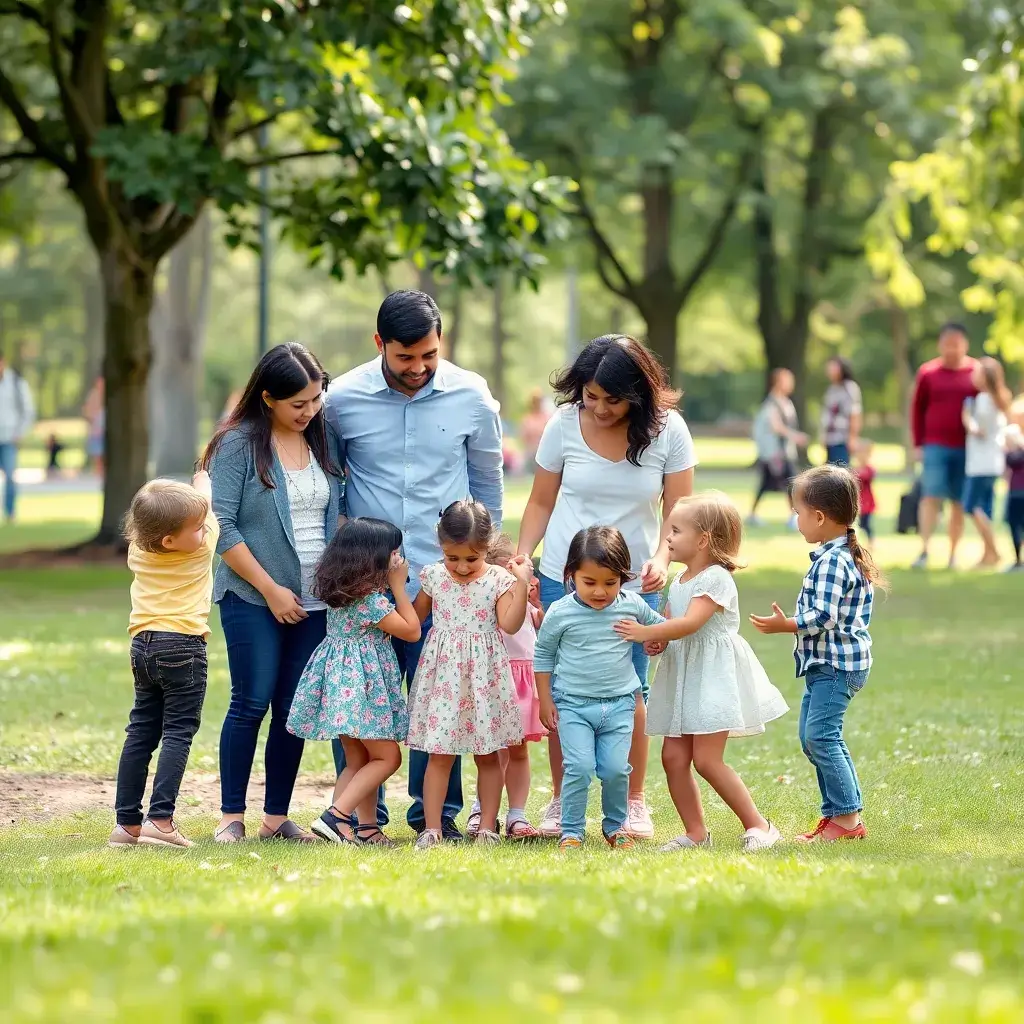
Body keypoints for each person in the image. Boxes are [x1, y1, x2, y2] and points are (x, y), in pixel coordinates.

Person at [325, 289, 504, 840]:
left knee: (441, 700)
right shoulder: (342, 400)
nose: (419, 367)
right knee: (363, 698)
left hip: (447, 577)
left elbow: (487, 481)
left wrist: (488, 556)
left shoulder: (472, 396)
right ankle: (361, 817)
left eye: (429, 354)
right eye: (405, 357)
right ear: (379, 343)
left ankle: (436, 819)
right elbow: (334, 485)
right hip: (369, 583)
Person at [517, 334, 696, 841]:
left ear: (638, 395)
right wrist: (524, 555)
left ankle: (634, 801)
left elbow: (680, 512)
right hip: (562, 577)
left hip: (633, 581)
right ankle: (560, 800)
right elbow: (540, 502)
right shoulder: (563, 425)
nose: (596, 408)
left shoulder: (669, 431)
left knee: (628, 691)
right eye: (589, 396)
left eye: (611, 399)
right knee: (566, 688)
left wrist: (663, 557)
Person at [202, 342, 346, 844]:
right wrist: (271, 589)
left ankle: (275, 817)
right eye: (298, 404)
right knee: (251, 701)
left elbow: (335, 513)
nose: (309, 411)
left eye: (316, 399)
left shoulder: (323, 439)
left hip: (316, 601)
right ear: (268, 399)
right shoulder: (238, 444)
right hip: (252, 596)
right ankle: (230, 817)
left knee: (293, 709)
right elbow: (221, 524)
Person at [614, 492, 788, 852]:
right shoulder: (678, 580)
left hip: (712, 677)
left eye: (676, 531)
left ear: (703, 540)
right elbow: (674, 623)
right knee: (673, 757)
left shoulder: (716, 578)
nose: (668, 538)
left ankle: (760, 826)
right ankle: (695, 833)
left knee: (707, 760)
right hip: (683, 673)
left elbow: (692, 623)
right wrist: (659, 638)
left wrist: (648, 631)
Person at [751, 465, 882, 843]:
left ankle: (848, 822)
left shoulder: (834, 561)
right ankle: (838, 817)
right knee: (814, 738)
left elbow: (824, 616)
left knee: (821, 737)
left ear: (819, 517)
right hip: (829, 664)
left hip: (837, 666)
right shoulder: (836, 556)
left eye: (798, 513)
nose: (796, 520)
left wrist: (787, 624)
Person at [286, 518, 420, 846]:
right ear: (375, 558)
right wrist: (400, 587)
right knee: (388, 758)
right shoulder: (371, 602)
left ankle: (364, 828)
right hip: (362, 693)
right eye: (393, 552)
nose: (398, 558)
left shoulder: (343, 594)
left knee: (357, 760)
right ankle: (337, 817)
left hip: (342, 688)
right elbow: (412, 631)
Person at [407, 501, 532, 850]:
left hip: (484, 677)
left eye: (471, 559)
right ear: (441, 546)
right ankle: (431, 829)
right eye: (453, 557)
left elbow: (509, 624)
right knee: (440, 753)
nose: (461, 567)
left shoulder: (499, 580)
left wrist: (521, 584)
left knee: (488, 755)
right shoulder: (433, 576)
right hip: (444, 676)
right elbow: (415, 620)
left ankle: (487, 826)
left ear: (487, 547)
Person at [535, 526, 665, 850]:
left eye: (610, 582)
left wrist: (652, 638)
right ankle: (571, 831)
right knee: (578, 767)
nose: (599, 592)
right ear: (571, 576)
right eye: (589, 582)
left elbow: (657, 627)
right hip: (572, 705)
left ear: (623, 577)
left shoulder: (632, 605)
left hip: (619, 705)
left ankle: (615, 826)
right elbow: (542, 655)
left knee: (616, 769)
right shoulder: (560, 612)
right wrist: (545, 700)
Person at [108, 473, 218, 849]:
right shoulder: (201, 549)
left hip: (142, 645)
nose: (204, 530)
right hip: (183, 646)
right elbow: (208, 498)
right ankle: (160, 820)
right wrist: (203, 478)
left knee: (140, 731)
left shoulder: (139, 550)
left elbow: (168, 513)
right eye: (197, 527)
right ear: (170, 540)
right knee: (177, 732)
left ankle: (126, 825)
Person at [465, 534, 546, 840]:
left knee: (519, 750)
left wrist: (534, 602)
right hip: (493, 678)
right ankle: (481, 809)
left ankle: (517, 815)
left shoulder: (525, 597)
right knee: (490, 752)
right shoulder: (482, 595)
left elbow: (541, 625)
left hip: (522, 679)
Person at [910, 323, 979, 570]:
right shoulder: (928, 373)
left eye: (956, 343)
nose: (951, 348)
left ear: (965, 344)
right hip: (935, 446)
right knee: (930, 497)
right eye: (947, 343)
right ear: (940, 344)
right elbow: (917, 410)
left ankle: (953, 554)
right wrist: (918, 444)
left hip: (967, 447)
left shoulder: (975, 372)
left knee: (958, 502)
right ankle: (925, 549)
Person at [962, 356, 1010, 568]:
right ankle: (987, 554)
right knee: (986, 508)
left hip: (980, 463)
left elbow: (973, 426)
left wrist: (966, 415)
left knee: (971, 506)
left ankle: (994, 550)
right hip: (994, 462)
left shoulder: (982, 400)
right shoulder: (1000, 398)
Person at [749, 368, 807, 525]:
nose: (791, 384)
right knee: (791, 482)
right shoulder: (771, 404)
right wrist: (795, 436)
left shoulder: (786, 402)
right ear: (778, 382)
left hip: (784, 452)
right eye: (787, 380)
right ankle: (793, 517)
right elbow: (776, 427)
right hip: (775, 453)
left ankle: (754, 515)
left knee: (770, 483)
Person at [0, 353, 36, 522]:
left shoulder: (15, 382)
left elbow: (28, 411)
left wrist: (20, 432)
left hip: (8, 438)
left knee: (9, 477)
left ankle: (10, 512)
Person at [820, 357, 862, 466]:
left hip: (842, 439)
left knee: (841, 473)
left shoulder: (849, 388)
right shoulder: (831, 389)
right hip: (831, 439)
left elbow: (854, 413)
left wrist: (853, 437)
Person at [1004, 413, 1024, 572]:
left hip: (1019, 493)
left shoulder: (1016, 452)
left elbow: (1012, 461)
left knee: (1017, 525)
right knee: (1014, 526)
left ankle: (1019, 560)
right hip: (1014, 492)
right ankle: (1018, 559)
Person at [519, 387, 552, 470]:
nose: (537, 403)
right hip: (531, 453)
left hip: (545, 453)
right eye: (535, 401)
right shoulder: (527, 419)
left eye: (539, 400)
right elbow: (524, 438)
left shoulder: (548, 417)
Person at [854, 439, 877, 543]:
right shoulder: (855, 469)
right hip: (858, 502)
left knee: (866, 525)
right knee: (857, 524)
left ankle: (871, 541)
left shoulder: (869, 469)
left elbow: (866, 477)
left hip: (867, 503)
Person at [83, 377, 105, 479]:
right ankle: (99, 473)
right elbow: (87, 411)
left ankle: (102, 473)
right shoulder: (94, 395)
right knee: (98, 454)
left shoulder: (109, 396)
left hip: (103, 431)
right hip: (97, 431)